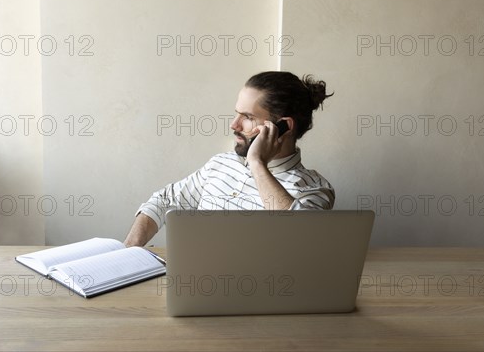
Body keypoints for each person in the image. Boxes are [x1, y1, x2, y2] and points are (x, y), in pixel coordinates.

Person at [123, 71, 335, 247]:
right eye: (237, 114)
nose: (234, 125)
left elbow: (304, 241)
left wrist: (257, 163)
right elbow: (164, 200)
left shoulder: (313, 190)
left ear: (283, 127)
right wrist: (130, 249)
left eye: (248, 117)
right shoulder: (221, 164)